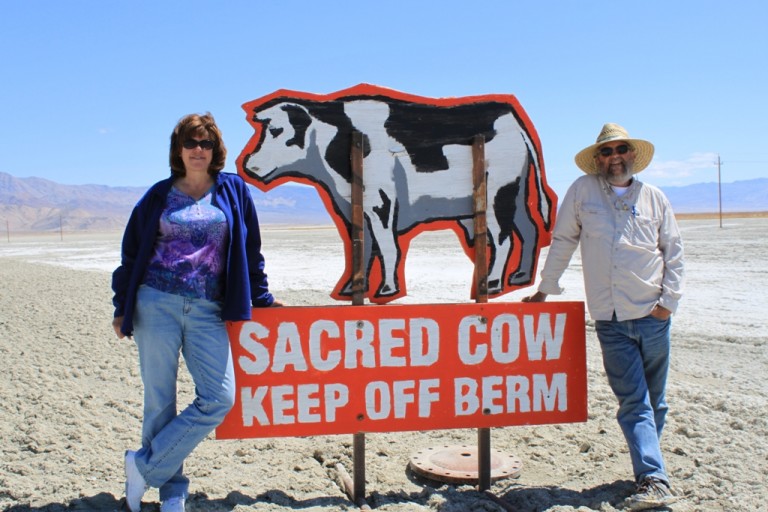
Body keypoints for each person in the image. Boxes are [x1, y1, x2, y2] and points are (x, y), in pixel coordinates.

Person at [111, 112, 282, 512]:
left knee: (219, 397)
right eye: (191, 143)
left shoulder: (234, 191)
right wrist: (122, 307)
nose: (198, 150)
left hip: (208, 308)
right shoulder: (158, 195)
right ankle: (171, 491)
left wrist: (264, 300)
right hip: (156, 304)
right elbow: (131, 253)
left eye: (205, 143)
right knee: (160, 400)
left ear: (216, 149)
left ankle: (143, 467)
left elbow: (251, 251)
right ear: (179, 150)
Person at [523, 123, 684, 510]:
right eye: (607, 152)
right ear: (597, 159)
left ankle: (648, 470)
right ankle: (653, 478)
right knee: (633, 400)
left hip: (652, 313)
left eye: (621, 150)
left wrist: (668, 304)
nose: (615, 158)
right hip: (609, 318)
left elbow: (673, 251)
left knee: (655, 401)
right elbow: (563, 240)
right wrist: (546, 288)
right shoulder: (582, 192)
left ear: (633, 154)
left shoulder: (655, 198)